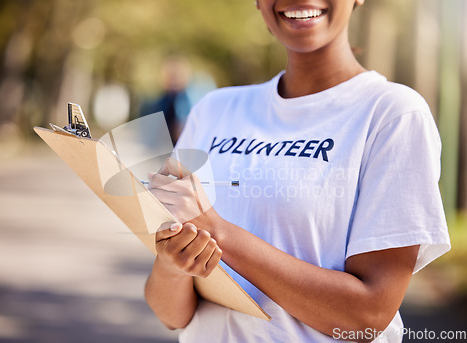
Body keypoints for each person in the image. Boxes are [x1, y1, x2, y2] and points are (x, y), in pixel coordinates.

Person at [144, 1, 451, 342]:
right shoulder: (213, 111)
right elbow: (170, 314)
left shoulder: (392, 115)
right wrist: (175, 263)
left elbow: (368, 315)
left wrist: (218, 232)